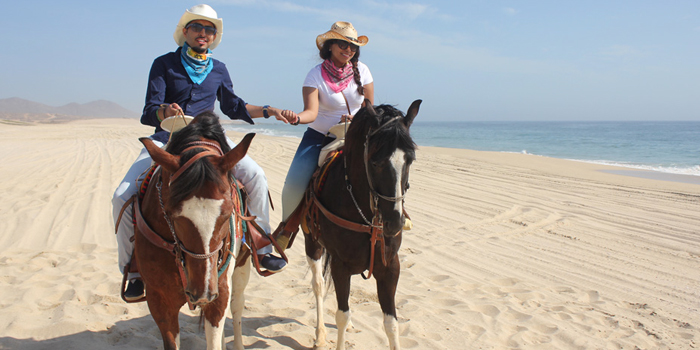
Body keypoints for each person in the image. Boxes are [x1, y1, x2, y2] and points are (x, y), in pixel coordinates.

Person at [113, 4, 297, 301]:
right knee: (121, 195)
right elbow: (149, 110)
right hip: (168, 140)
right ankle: (133, 268)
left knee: (257, 176)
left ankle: (262, 246)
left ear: (214, 36)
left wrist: (269, 110)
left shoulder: (219, 68)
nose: (203, 33)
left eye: (209, 29)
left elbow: (234, 106)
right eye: (197, 27)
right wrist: (164, 110)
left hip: (210, 143)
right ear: (184, 32)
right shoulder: (163, 64)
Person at [274, 21, 374, 249]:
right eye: (342, 44)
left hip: (356, 134)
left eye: (353, 47)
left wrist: (357, 119)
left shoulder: (364, 70)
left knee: (388, 166)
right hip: (320, 136)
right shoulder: (314, 76)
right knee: (293, 184)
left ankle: (397, 214)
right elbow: (311, 112)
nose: (348, 50)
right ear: (330, 46)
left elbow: (369, 108)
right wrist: (297, 118)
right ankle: (287, 228)